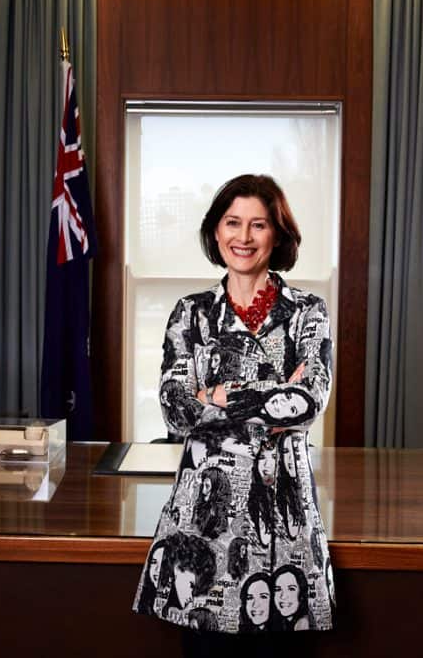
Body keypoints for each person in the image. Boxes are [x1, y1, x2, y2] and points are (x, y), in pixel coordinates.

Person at [132, 174, 335, 654]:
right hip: (203, 528)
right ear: (216, 231)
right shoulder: (191, 314)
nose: (243, 237)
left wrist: (220, 396)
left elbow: (308, 402)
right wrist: (272, 393)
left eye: (258, 225)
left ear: (277, 235)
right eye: (233, 222)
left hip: (282, 524)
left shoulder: (308, 312)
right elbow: (175, 410)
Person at [270, 565, 313, 631]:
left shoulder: (305, 624)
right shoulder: (274, 622)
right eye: (278, 589)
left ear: (301, 593)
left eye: (291, 589)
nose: (283, 596)